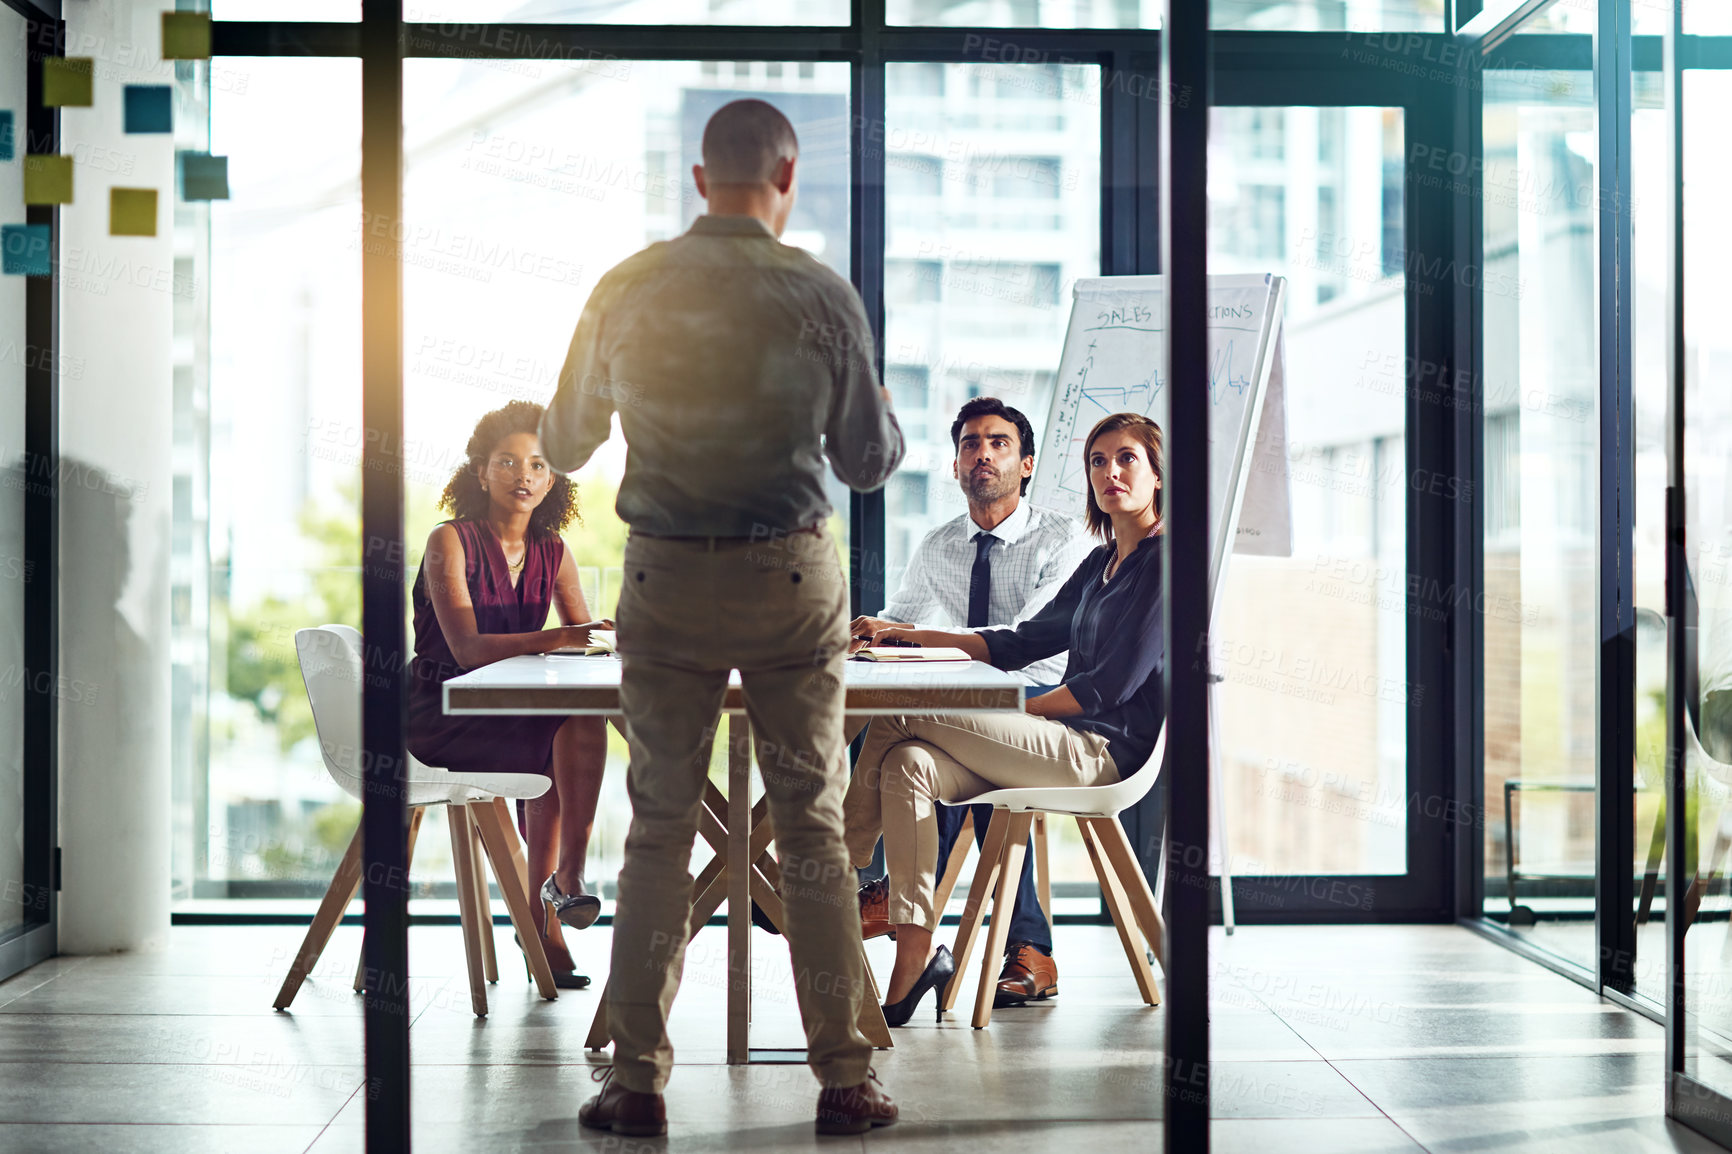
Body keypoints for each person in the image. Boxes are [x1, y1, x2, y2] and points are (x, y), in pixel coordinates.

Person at [542, 98, 904, 1137]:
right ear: (784, 178)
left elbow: (565, 442)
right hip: (792, 577)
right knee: (814, 829)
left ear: (702, 180)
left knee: (658, 826)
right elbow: (868, 464)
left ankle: (636, 1082)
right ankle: (844, 1077)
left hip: (661, 577)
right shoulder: (822, 292)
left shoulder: (626, 286)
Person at [847, 411, 1167, 1025]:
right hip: (1058, 736)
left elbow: (1109, 686)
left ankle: (839, 863)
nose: (1110, 473)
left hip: (1100, 752)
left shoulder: (1164, 563)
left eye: (1126, 459)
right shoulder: (1102, 565)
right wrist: (907, 635)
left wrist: (1014, 707)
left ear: (1157, 474)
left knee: (901, 711)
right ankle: (913, 959)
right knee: (909, 765)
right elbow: (1020, 642)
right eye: (1098, 462)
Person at [408, 400, 610, 989]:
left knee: (581, 720)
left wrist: (619, 633)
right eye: (507, 462)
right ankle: (544, 919)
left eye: (539, 465)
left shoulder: (555, 551)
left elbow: (583, 640)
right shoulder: (448, 541)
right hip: (443, 710)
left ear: (553, 479)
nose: (524, 475)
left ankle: (564, 883)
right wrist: (562, 635)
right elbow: (468, 650)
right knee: (561, 733)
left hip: (512, 710)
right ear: (480, 472)